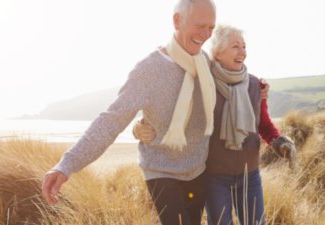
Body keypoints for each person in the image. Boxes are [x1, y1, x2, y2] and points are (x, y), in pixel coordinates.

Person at [41, 1, 217, 225]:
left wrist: (257, 91)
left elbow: (229, 90)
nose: (206, 34)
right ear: (176, 21)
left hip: (198, 169)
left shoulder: (205, 63)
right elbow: (111, 120)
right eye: (200, 25)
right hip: (161, 170)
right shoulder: (149, 70)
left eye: (211, 28)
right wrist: (67, 164)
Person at [133, 24, 296, 225]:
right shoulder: (202, 84)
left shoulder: (255, 85)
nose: (243, 52)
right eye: (236, 46)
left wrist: (278, 141)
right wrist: (139, 127)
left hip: (250, 176)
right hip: (214, 178)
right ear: (217, 53)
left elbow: (263, 125)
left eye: (244, 46)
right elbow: (176, 113)